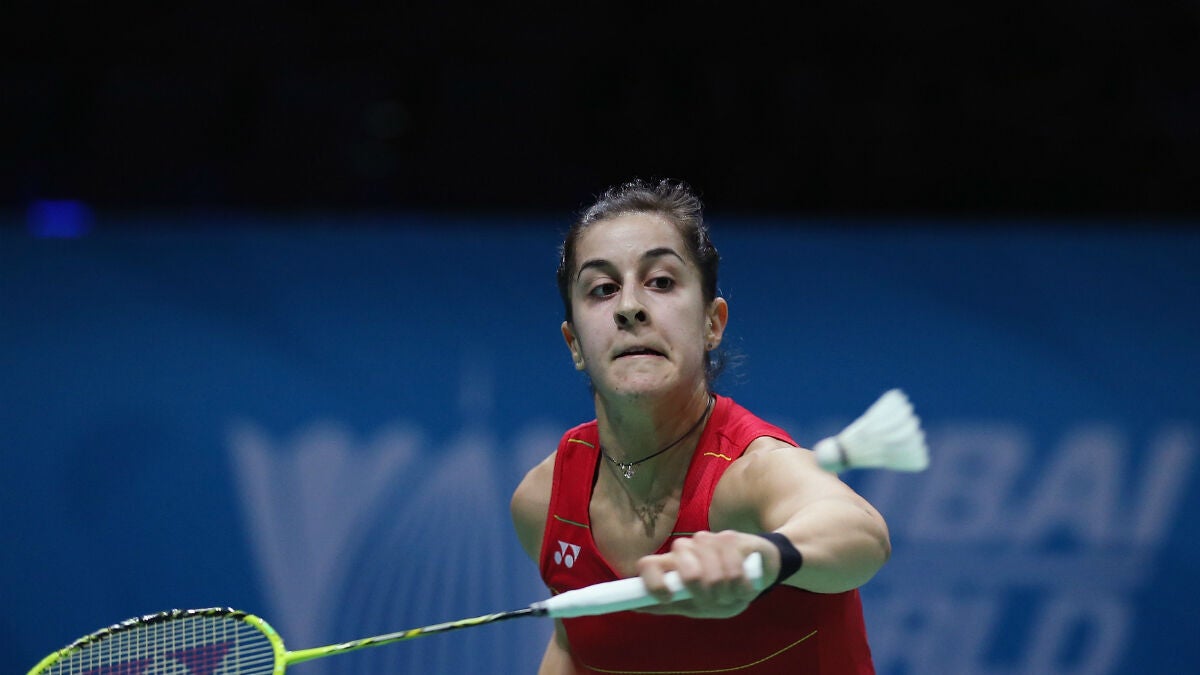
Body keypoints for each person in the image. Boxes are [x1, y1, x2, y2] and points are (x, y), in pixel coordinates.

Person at [511, 179, 889, 674]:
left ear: (713, 324)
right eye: (603, 289)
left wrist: (762, 556)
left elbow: (861, 533)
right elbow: (573, 644)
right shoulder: (544, 502)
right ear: (575, 345)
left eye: (661, 282)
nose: (629, 307)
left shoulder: (752, 472)